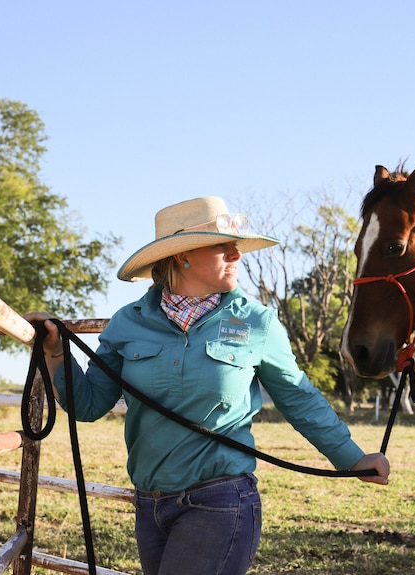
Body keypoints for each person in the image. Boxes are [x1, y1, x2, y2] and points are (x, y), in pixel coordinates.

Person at [26, 196, 389, 575]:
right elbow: (88, 406)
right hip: (150, 507)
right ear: (183, 255)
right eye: (224, 246)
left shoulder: (256, 322)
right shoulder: (127, 323)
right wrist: (55, 353)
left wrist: (353, 458)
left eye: (237, 247)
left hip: (220, 500)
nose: (237, 255)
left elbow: (300, 398)